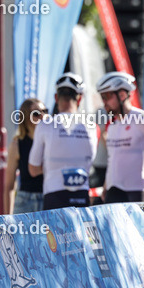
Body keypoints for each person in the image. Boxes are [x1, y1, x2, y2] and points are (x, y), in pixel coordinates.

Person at [99, 71, 144, 203]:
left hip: (137, 191)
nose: (104, 102)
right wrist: (106, 185)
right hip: (113, 191)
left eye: (107, 96)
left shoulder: (140, 118)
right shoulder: (112, 124)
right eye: (102, 97)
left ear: (122, 95)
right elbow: (113, 159)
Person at [28, 73, 98, 210]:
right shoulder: (91, 126)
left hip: (54, 195)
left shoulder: (45, 124)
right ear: (79, 98)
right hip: (81, 194)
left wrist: (54, 168)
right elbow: (90, 162)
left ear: (56, 98)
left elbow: (33, 169)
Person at [5, 97, 47, 214]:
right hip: (25, 202)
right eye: (36, 113)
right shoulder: (17, 144)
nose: (42, 116)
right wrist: (8, 218)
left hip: (48, 198)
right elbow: (9, 185)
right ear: (26, 117)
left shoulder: (51, 140)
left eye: (45, 111)